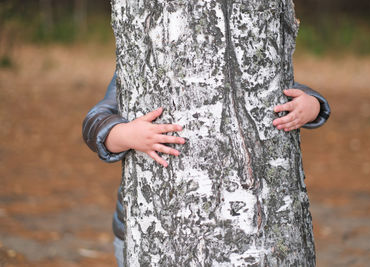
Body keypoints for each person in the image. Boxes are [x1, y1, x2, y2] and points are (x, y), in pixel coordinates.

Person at [82, 72, 330, 266]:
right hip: (140, 230)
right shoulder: (132, 67)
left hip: (233, 229)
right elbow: (95, 124)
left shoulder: (234, 56)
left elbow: (283, 86)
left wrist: (312, 105)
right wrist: (126, 134)